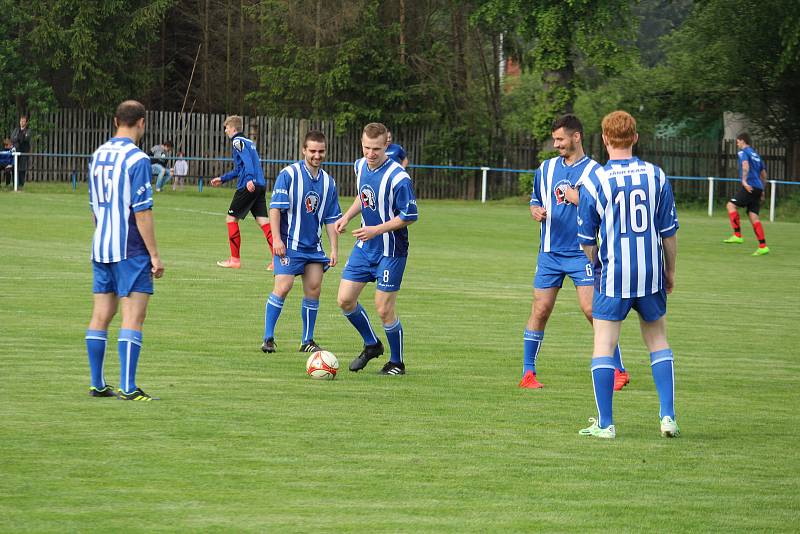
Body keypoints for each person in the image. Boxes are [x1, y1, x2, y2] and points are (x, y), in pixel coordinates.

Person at [576, 110, 680, 439]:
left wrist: (596, 265)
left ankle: (606, 424)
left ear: (605, 139)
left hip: (613, 275)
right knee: (658, 341)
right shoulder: (656, 176)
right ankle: (667, 417)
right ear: (635, 137)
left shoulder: (595, 180)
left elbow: (587, 241)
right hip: (650, 273)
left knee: (604, 345)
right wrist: (670, 269)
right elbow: (668, 232)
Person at [521, 114, 629, 390]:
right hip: (550, 252)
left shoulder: (597, 172)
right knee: (541, 308)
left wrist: (579, 198)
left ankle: (618, 370)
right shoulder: (545, 169)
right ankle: (528, 373)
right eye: (554, 139)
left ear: (576, 136)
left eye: (560, 139)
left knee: (593, 309)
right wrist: (535, 210)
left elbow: (608, 209)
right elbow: (536, 199)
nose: (556, 144)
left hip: (583, 253)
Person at [84, 100, 165, 401]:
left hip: (101, 245)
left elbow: (93, 208)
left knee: (101, 314)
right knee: (133, 317)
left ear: (116, 120)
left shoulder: (98, 155)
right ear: (142, 123)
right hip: (130, 249)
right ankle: (128, 387)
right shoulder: (138, 159)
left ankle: (97, 383)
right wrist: (154, 255)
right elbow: (142, 212)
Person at [335, 122, 418, 375]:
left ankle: (397, 363)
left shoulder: (398, 177)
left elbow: (410, 215)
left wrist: (376, 229)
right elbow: (364, 196)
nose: (370, 154)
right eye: (366, 148)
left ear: (387, 146)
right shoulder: (360, 166)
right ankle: (372, 344)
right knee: (345, 300)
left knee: (384, 308)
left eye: (376, 149)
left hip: (391, 250)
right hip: (365, 246)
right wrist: (347, 217)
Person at [261, 130, 342, 353]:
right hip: (289, 244)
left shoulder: (329, 182)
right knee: (283, 286)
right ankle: (268, 337)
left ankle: (307, 341)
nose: (317, 155)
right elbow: (276, 208)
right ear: (304, 150)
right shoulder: (288, 174)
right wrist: (276, 239)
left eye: (321, 151)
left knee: (314, 289)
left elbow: (331, 218)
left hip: (314, 248)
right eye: (313, 151)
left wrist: (334, 248)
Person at [210, 115, 274, 270]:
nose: (225, 131)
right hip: (260, 185)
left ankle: (234, 260)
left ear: (233, 128)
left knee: (231, 219)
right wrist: (223, 178)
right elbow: (239, 168)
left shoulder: (237, 141)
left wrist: (249, 179)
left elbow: (247, 162)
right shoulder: (249, 142)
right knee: (263, 222)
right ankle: (277, 260)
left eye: (226, 128)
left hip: (248, 185)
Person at [723, 133, 770, 255]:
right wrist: (762, 190)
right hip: (758, 188)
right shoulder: (756, 155)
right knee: (753, 216)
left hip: (750, 186)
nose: (737, 144)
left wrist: (744, 181)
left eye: (738, 142)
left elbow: (745, 166)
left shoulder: (743, 153)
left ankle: (737, 235)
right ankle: (763, 246)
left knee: (730, 205)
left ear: (742, 141)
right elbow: (764, 174)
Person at [10, 115, 31, 188]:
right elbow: (12, 138)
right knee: (14, 168)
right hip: (16, 152)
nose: (22, 123)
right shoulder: (16, 130)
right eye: (21, 121)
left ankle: (21, 185)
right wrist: (19, 137)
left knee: (22, 169)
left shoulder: (28, 130)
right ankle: (14, 184)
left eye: (23, 121)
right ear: (19, 122)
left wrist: (19, 137)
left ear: (26, 122)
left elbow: (26, 138)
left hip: (24, 152)